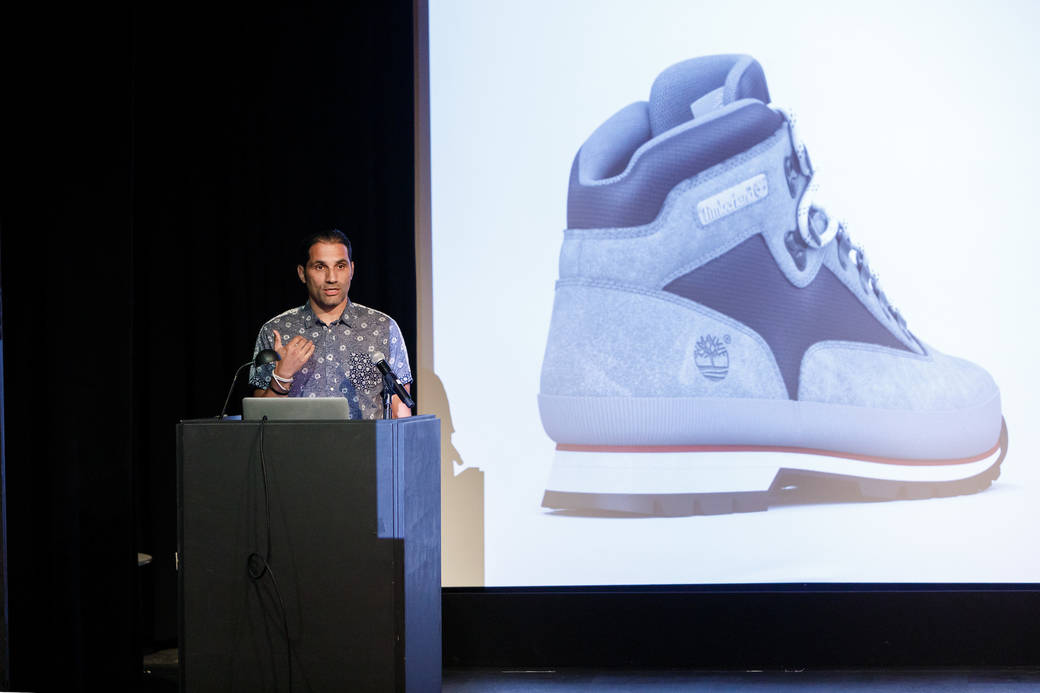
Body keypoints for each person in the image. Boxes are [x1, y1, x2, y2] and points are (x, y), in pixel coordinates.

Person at [249, 229, 413, 419]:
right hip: (296, 447)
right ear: (302, 273)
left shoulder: (383, 327)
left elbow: (400, 411)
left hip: (364, 447)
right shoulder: (276, 331)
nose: (332, 278)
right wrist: (282, 376)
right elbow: (257, 423)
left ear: (352, 270)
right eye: (320, 267)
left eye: (340, 266)